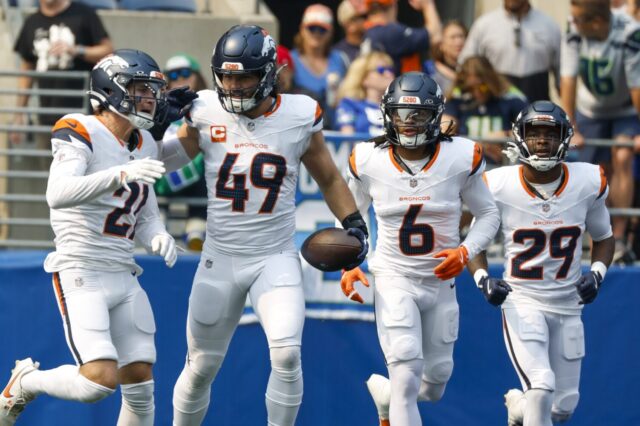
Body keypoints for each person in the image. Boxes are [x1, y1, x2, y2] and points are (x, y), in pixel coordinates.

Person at [160, 25, 368, 426]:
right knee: (201, 366)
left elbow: (327, 176)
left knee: (287, 354)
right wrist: (154, 127)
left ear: (269, 74)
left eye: (244, 76)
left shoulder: (299, 114)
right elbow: (168, 163)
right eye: (227, 76)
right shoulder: (204, 109)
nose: (234, 86)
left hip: (274, 256)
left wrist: (354, 222)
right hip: (219, 258)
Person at [0, 49, 178, 426]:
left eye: (151, 91)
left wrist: (158, 234)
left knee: (141, 382)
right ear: (111, 91)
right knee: (98, 382)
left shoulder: (143, 142)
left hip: (123, 270)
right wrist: (121, 175)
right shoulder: (80, 128)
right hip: (81, 268)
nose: (148, 99)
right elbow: (58, 193)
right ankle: (27, 381)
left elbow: (143, 210)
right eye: (139, 89)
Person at [340, 72, 500, 426]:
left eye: (419, 115)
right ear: (387, 114)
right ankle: (395, 397)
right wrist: (349, 260)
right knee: (407, 370)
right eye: (401, 114)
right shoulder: (368, 158)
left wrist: (465, 250)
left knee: (434, 384)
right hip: (394, 276)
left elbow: (489, 214)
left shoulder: (460, 156)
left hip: (441, 282)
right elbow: (350, 214)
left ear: (436, 115)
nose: (409, 124)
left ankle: (387, 401)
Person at [467, 100, 615, 426]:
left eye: (550, 133)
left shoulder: (588, 181)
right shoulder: (498, 184)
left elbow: (604, 237)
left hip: (568, 303)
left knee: (562, 407)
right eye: (535, 134)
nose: (543, 140)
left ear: (565, 137)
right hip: (523, 301)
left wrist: (598, 273)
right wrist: (482, 278)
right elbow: (471, 236)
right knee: (541, 385)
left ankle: (516, 409)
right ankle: (527, 405)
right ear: (520, 137)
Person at [560, 0, 640, 264]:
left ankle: (618, 235)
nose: (574, 22)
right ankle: (599, 236)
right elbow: (568, 78)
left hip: (624, 108)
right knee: (595, 170)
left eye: (579, 19)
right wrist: (571, 124)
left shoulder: (629, 33)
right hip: (590, 107)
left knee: (623, 156)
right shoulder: (574, 30)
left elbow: (637, 86)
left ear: (595, 23)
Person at [11, 0, 113, 147]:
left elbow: (108, 51)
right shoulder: (32, 22)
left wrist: (77, 50)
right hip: (47, 118)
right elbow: (27, 71)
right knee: (47, 168)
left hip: (84, 117)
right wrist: (19, 114)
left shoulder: (84, 14)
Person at [153, 54, 208, 251]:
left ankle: (196, 231)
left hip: (195, 169)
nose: (180, 79)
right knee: (151, 171)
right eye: (173, 75)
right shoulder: (158, 104)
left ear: (196, 76)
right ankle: (157, 227)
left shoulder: (207, 104)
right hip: (165, 170)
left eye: (185, 73)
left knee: (206, 178)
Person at [459, 0, 561, 103]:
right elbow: (465, 67)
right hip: (497, 109)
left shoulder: (549, 26)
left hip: (537, 108)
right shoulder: (483, 25)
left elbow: (562, 77)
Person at [443, 56, 528, 164]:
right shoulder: (457, 101)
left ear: (490, 81)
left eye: (482, 87)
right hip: (467, 164)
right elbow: (444, 131)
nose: (477, 93)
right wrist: (482, 145)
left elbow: (530, 132)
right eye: (470, 88)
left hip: (501, 165)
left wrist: (506, 135)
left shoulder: (509, 100)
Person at [291, 3, 348, 128]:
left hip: (336, 131)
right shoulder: (290, 60)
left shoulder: (340, 59)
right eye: (312, 28)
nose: (316, 33)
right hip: (300, 129)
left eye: (322, 29)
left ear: (331, 31)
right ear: (302, 29)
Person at [361, 0, 442, 75]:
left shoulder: (367, 31)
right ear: (393, 5)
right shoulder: (390, 32)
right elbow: (435, 36)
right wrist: (427, 4)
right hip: (392, 87)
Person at [335, 51, 395, 135]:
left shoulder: (398, 106)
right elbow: (348, 138)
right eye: (381, 70)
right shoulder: (349, 104)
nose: (388, 74)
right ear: (363, 78)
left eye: (390, 69)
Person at [423, 20, 467, 94]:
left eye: (461, 36)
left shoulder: (472, 69)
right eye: (453, 37)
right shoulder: (429, 70)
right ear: (441, 45)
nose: (459, 42)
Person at [334, 0, 367, 67]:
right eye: (363, 17)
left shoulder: (375, 44)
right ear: (349, 24)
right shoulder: (337, 54)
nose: (368, 19)